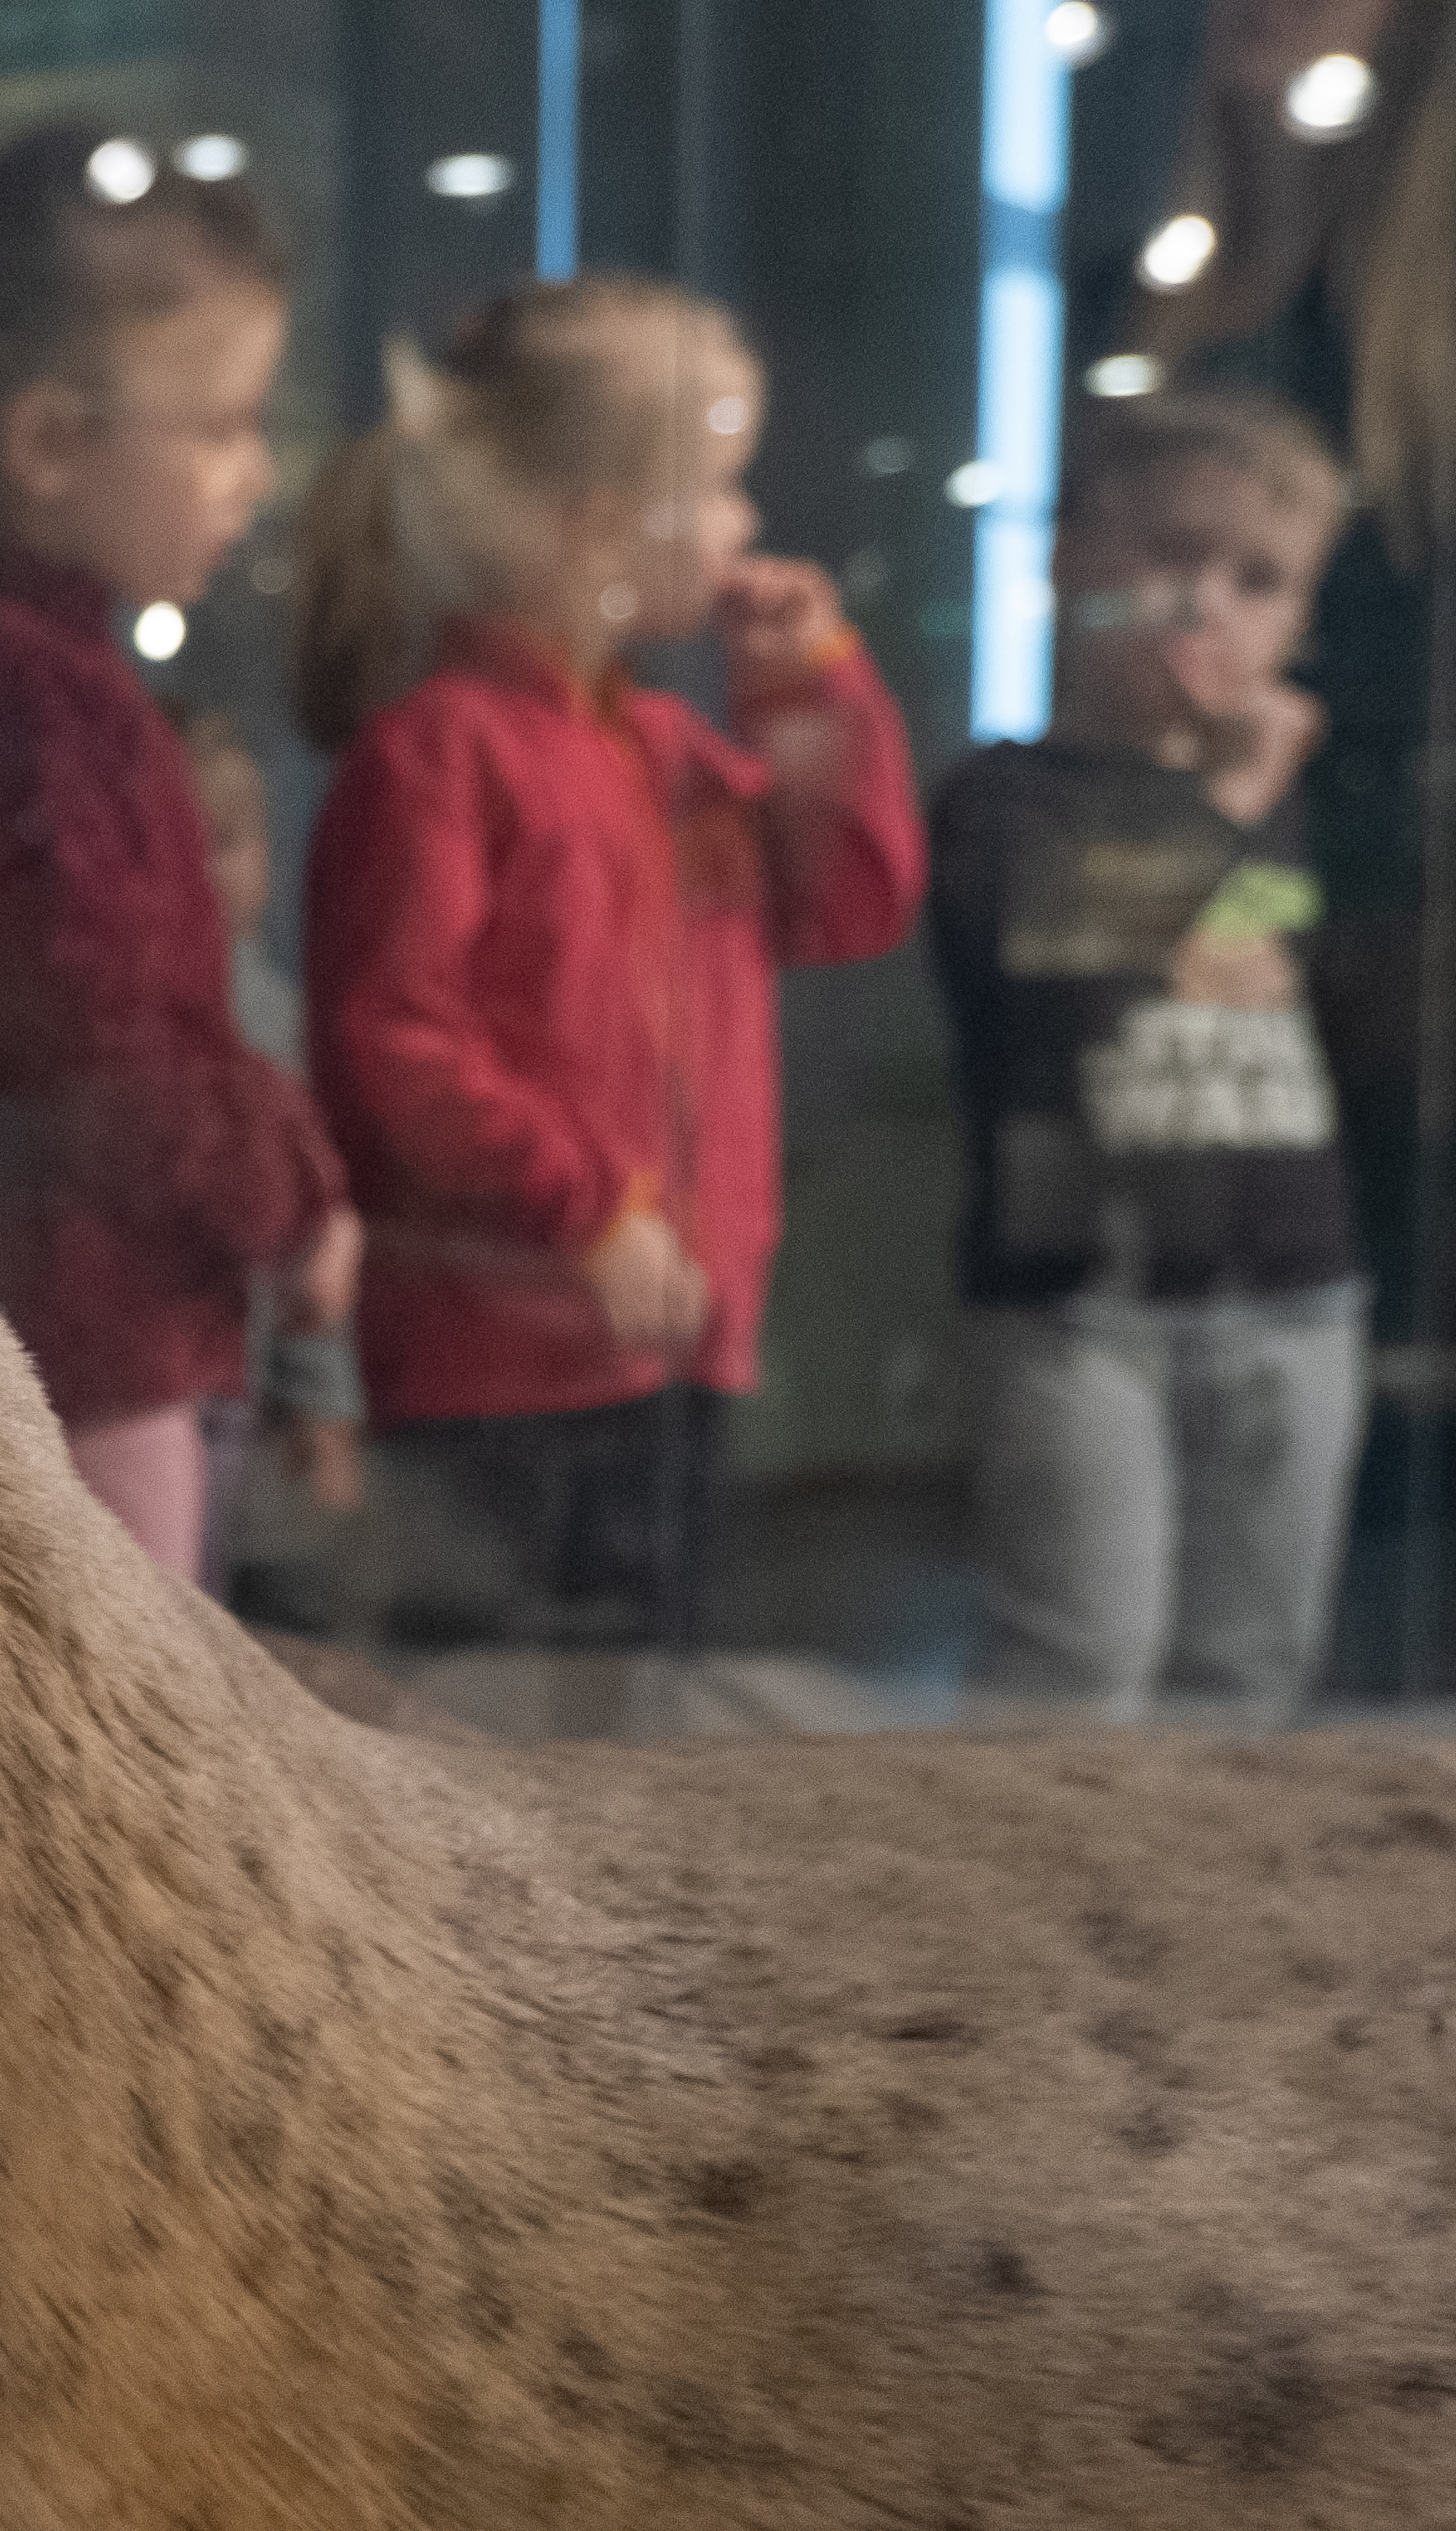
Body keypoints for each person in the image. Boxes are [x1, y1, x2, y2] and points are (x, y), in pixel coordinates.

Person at [294, 275, 921, 1677]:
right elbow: (393, 1036)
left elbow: (850, 899)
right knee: (494, 1727)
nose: (745, 527)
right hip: (500, 1355)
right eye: (717, 486)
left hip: (664, 1335)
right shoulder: (441, 750)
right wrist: (584, 1207)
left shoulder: (666, 747)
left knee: (627, 1724)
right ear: (590, 521)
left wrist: (812, 694)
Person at [0, 130, 351, 1588]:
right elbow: (108, 1054)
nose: (253, 473)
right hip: (76, 1340)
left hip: (49, 1312)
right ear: (51, 443)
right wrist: (297, 1199)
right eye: (221, 425)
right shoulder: (20, 692)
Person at [931, 392, 1360, 1726]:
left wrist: (1230, 828)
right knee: (1077, 1670)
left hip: (1293, 1286)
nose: (1208, 606)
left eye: (1259, 581)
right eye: (1175, 554)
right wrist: (1225, 803)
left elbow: (1259, 982)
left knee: (1249, 1673)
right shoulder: (1008, 798)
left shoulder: (1273, 812)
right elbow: (1068, 978)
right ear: (1071, 559)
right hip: (1079, 1302)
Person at [176, 708, 365, 1562]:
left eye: (228, 842)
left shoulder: (275, 1018)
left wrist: (324, 1404)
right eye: (182, 844)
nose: (209, 876)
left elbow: (315, 1219)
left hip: (242, 1380)